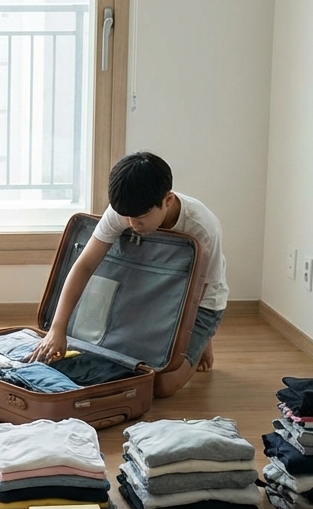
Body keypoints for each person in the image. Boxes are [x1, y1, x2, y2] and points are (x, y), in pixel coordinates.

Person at [29, 151, 228, 397]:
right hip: (150, 292)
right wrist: (57, 330)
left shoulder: (203, 228)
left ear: (168, 200)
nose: (132, 224)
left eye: (140, 218)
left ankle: (203, 337)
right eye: (127, 217)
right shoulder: (123, 211)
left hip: (199, 303)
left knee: (161, 387)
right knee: (129, 370)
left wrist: (191, 340)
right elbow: (84, 266)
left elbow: (199, 295)